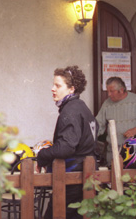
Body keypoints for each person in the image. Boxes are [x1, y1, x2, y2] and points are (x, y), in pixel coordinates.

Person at [37, 65, 98, 219]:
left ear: (71, 89)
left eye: (58, 85)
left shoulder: (70, 111)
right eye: (53, 84)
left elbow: (65, 147)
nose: (52, 89)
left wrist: (42, 156)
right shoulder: (82, 107)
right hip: (83, 175)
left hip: (73, 179)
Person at [95, 77, 136, 167]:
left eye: (112, 91)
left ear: (121, 90)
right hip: (113, 152)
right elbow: (99, 125)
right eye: (107, 91)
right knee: (113, 179)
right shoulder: (107, 104)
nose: (109, 94)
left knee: (132, 179)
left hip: (134, 152)